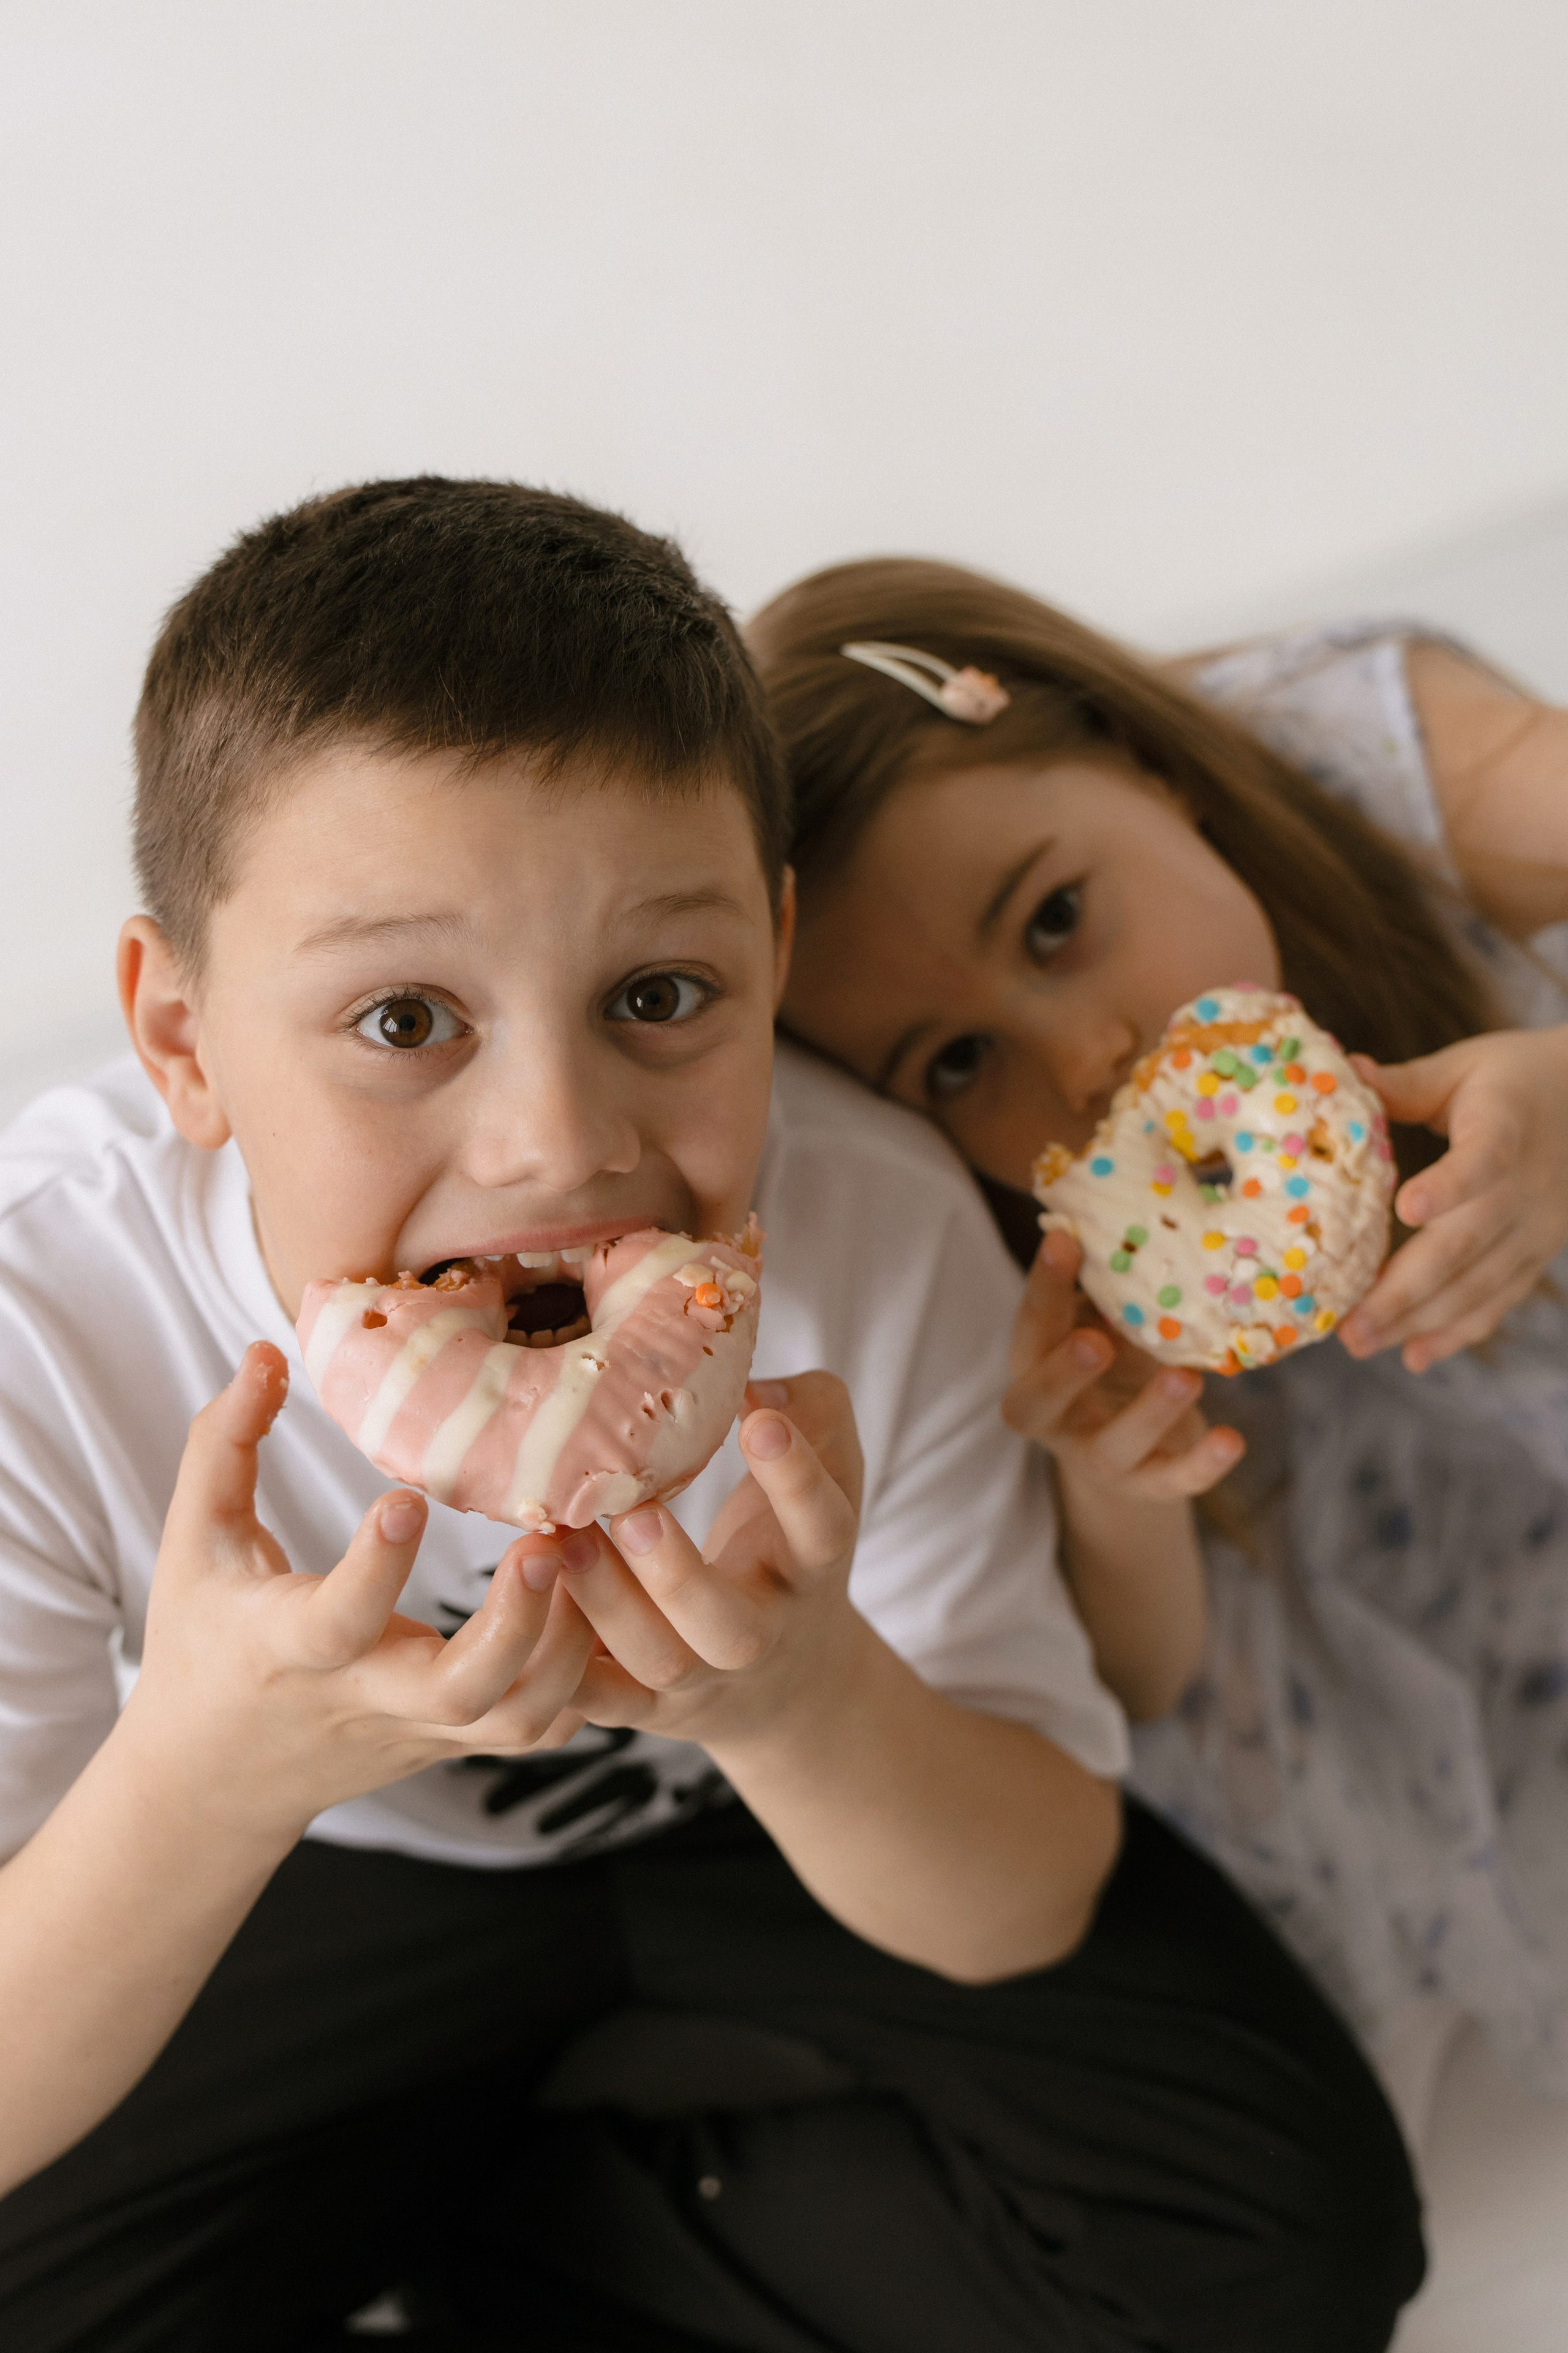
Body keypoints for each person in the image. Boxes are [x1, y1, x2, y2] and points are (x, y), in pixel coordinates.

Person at [0, 483, 1421, 2353]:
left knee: (1284, 2239)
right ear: (182, 1039)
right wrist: (206, 1767)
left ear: (770, 953)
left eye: (659, 997)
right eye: (407, 1021)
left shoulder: (873, 1228)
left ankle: (549, 2228)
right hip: (323, 1862)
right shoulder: (49, 1323)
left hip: (773, 1807)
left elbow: (1031, 1885)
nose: (556, 1142)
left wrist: (800, 1693)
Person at [750, 554, 1568, 2134]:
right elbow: (1158, 1680)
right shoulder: (986, 1242)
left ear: (1144, 761)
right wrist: (1123, 1481)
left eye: (1057, 919)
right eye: (960, 1060)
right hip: (1396, 1556)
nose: (1085, 1062)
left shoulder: (1398, 772)